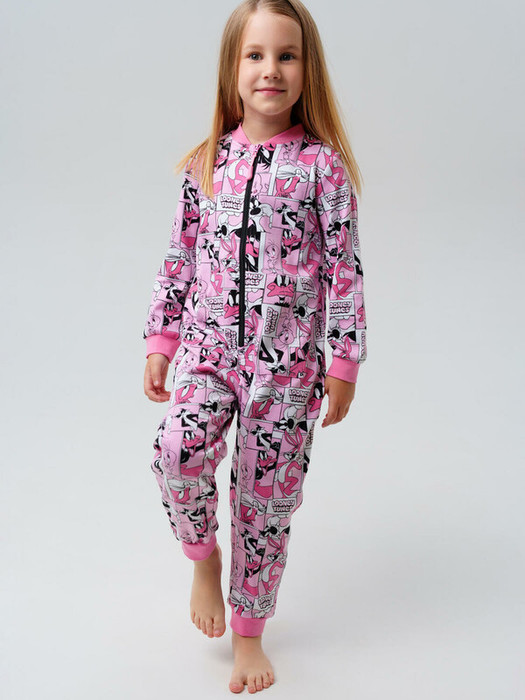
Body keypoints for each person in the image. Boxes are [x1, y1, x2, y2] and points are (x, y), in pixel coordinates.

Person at [142, 0, 367, 693]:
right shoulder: (206, 163)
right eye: (256, 55)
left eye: (286, 55)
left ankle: (248, 636)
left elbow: (344, 269)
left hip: (287, 366)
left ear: (306, 69)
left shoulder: (322, 168)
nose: (271, 69)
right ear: (232, 68)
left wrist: (343, 360)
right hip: (208, 351)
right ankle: (203, 557)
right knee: (176, 451)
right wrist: (161, 337)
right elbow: (179, 257)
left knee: (265, 506)